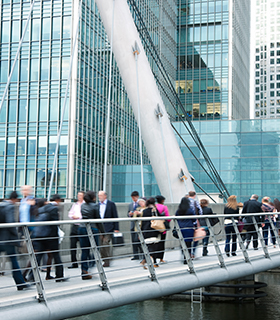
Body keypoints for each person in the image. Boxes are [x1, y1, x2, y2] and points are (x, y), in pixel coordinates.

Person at [34, 194, 68, 282]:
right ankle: (59, 276)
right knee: (56, 255)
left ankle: (31, 275)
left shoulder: (41, 209)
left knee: (38, 256)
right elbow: (55, 223)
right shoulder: (53, 209)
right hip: (51, 236)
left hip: (40, 236)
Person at [0, 191, 30, 290]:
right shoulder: (10, 207)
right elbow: (11, 223)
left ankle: (21, 283)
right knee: (14, 261)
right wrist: (16, 238)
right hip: (8, 239)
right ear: (15, 199)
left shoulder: (1, 205)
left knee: (13, 261)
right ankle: (20, 283)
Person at [79, 191, 105, 280]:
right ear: (93, 197)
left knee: (84, 251)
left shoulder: (82, 205)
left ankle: (84, 271)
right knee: (96, 249)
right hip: (92, 229)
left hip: (82, 228)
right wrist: (103, 232)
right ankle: (90, 266)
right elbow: (98, 219)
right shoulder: (95, 206)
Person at [98, 191, 119, 267]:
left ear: (105, 196)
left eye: (101, 195)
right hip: (100, 228)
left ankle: (107, 260)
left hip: (109, 228)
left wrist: (116, 228)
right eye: (98, 195)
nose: (99, 197)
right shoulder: (97, 205)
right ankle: (105, 259)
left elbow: (115, 216)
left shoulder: (111, 204)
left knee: (105, 244)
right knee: (100, 245)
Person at [141, 197, 161, 269]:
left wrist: (142, 231)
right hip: (154, 230)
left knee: (149, 245)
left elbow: (142, 222)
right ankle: (151, 260)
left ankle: (149, 259)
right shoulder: (155, 210)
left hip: (146, 230)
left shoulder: (145, 211)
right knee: (154, 246)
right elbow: (160, 219)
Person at [176, 197, 196, 264]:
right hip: (189, 228)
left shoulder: (178, 211)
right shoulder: (190, 210)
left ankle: (183, 253)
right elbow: (194, 219)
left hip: (181, 228)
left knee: (182, 242)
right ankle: (187, 257)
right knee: (189, 243)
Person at [68, 191, 84, 268]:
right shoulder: (75, 205)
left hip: (82, 226)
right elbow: (70, 214)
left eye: (80, 195)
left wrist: (78, 217)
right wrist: (73, 217)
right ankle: (74, 263)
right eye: (78, 195)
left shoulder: (85, 204)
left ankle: (84, 262)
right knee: (72, 246)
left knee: (83, 245)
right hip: (74, 226)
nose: (79, 196)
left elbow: (85, 215)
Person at [155, 195, 170, 264]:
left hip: (155, 227)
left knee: (155, 242)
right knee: (162, 242)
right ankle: (161, 258)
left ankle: (154, 257)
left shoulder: (154, 206)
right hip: (162, 228)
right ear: (162, 200)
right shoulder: (164, 207)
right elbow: (168, 218)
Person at [128, 191, 142, 260]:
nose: (133, 199)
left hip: (139, 224)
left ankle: (142, 253)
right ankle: (135, 255)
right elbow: (127, 214)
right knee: (133, 240)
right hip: (132, 224)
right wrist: (130, 214)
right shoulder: (130, 205)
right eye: (132, 198)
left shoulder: (141, 203)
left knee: (138, 239)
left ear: (137, 196)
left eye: (134, 197)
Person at [188, 191, 203, 258]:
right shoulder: (195, 202)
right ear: (194, 195)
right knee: (196, 237)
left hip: (186, 222)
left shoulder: (185, 202)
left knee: (187, 238)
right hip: (194, 222)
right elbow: (200, 211)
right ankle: (193, 252)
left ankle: (187, 252)